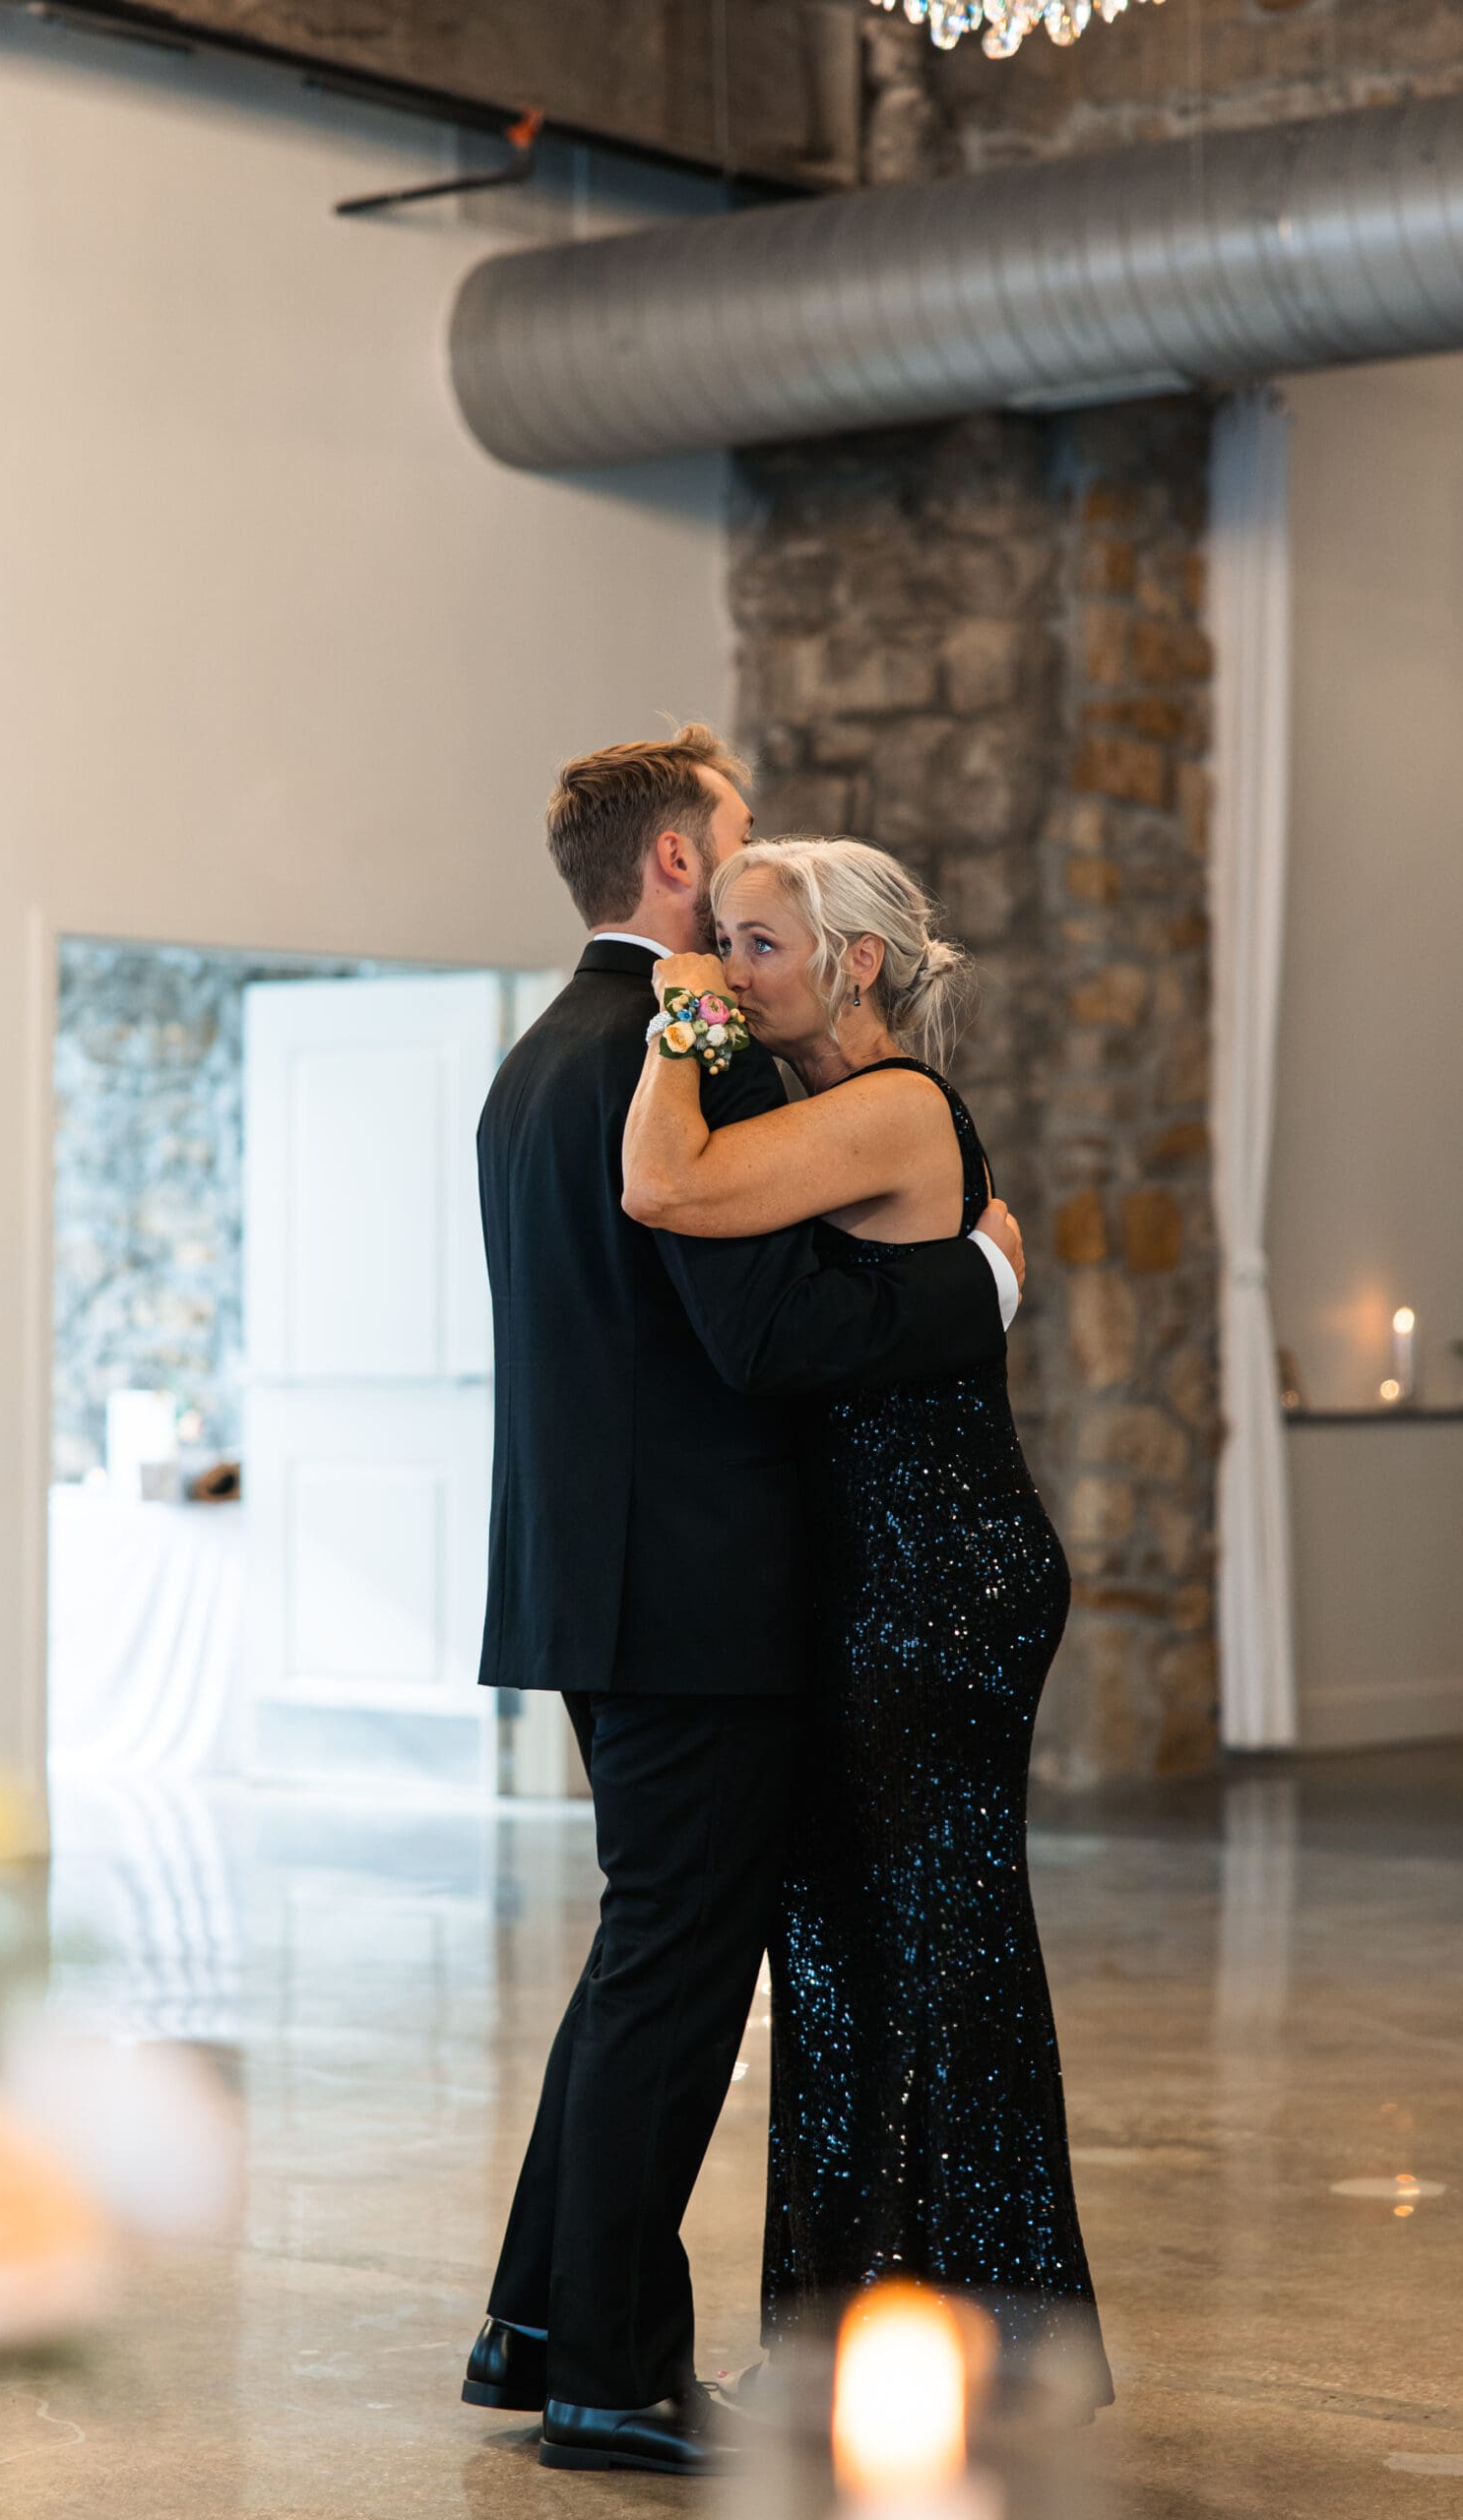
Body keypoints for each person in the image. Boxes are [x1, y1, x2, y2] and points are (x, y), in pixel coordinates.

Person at [461, 729, 1026, 2477]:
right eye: (738, 836)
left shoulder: (536, 1057)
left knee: (643, 1954)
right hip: (701, 1599)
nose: (754, 855)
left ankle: (538, 2323)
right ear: (683, 873)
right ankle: (613, 2383)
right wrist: (980, 1284)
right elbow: (758, 1332)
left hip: (589, 1575)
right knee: (676, 1983)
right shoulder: (678, 1056)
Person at [621, 834, 1113, 2411]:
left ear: (857, 966)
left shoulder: (889, 1108)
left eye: (756, 945)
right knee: (839, 1954)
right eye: (721, 941)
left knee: (925, 1949)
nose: (727, 968)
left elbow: (660, 1182)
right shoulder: (842, 1117)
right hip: (872, 1579)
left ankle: (952, 2348)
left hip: (937, 1580)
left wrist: (671, 1024)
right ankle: (849, 2339)